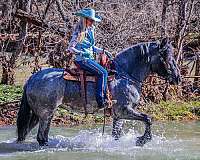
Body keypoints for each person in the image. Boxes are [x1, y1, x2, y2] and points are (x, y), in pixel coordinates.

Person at [67, 8, 112, 109]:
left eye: (93, 21)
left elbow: (92, 47)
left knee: (105, 71)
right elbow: (70, 48)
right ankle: (101, 101)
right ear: (85, 19)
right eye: (91, 20)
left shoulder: (90, 30)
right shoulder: (79, 32)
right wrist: (80, 52)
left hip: (89, 59)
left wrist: (103, 51)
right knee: (102, 73)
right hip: (82, 60)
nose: (92, 23)